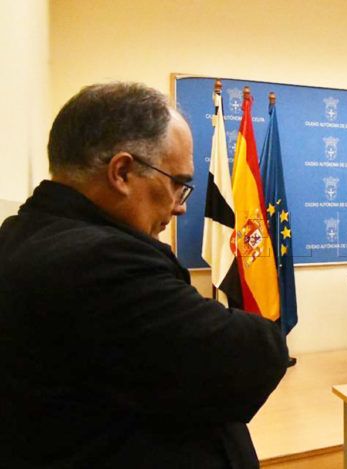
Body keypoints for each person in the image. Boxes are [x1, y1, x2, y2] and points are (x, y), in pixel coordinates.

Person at [0, 82, 289, 468]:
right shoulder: (98, 262)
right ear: (121, 172)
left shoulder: (22, 234)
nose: (180, 207)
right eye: (177, 183)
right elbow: (256, 354)